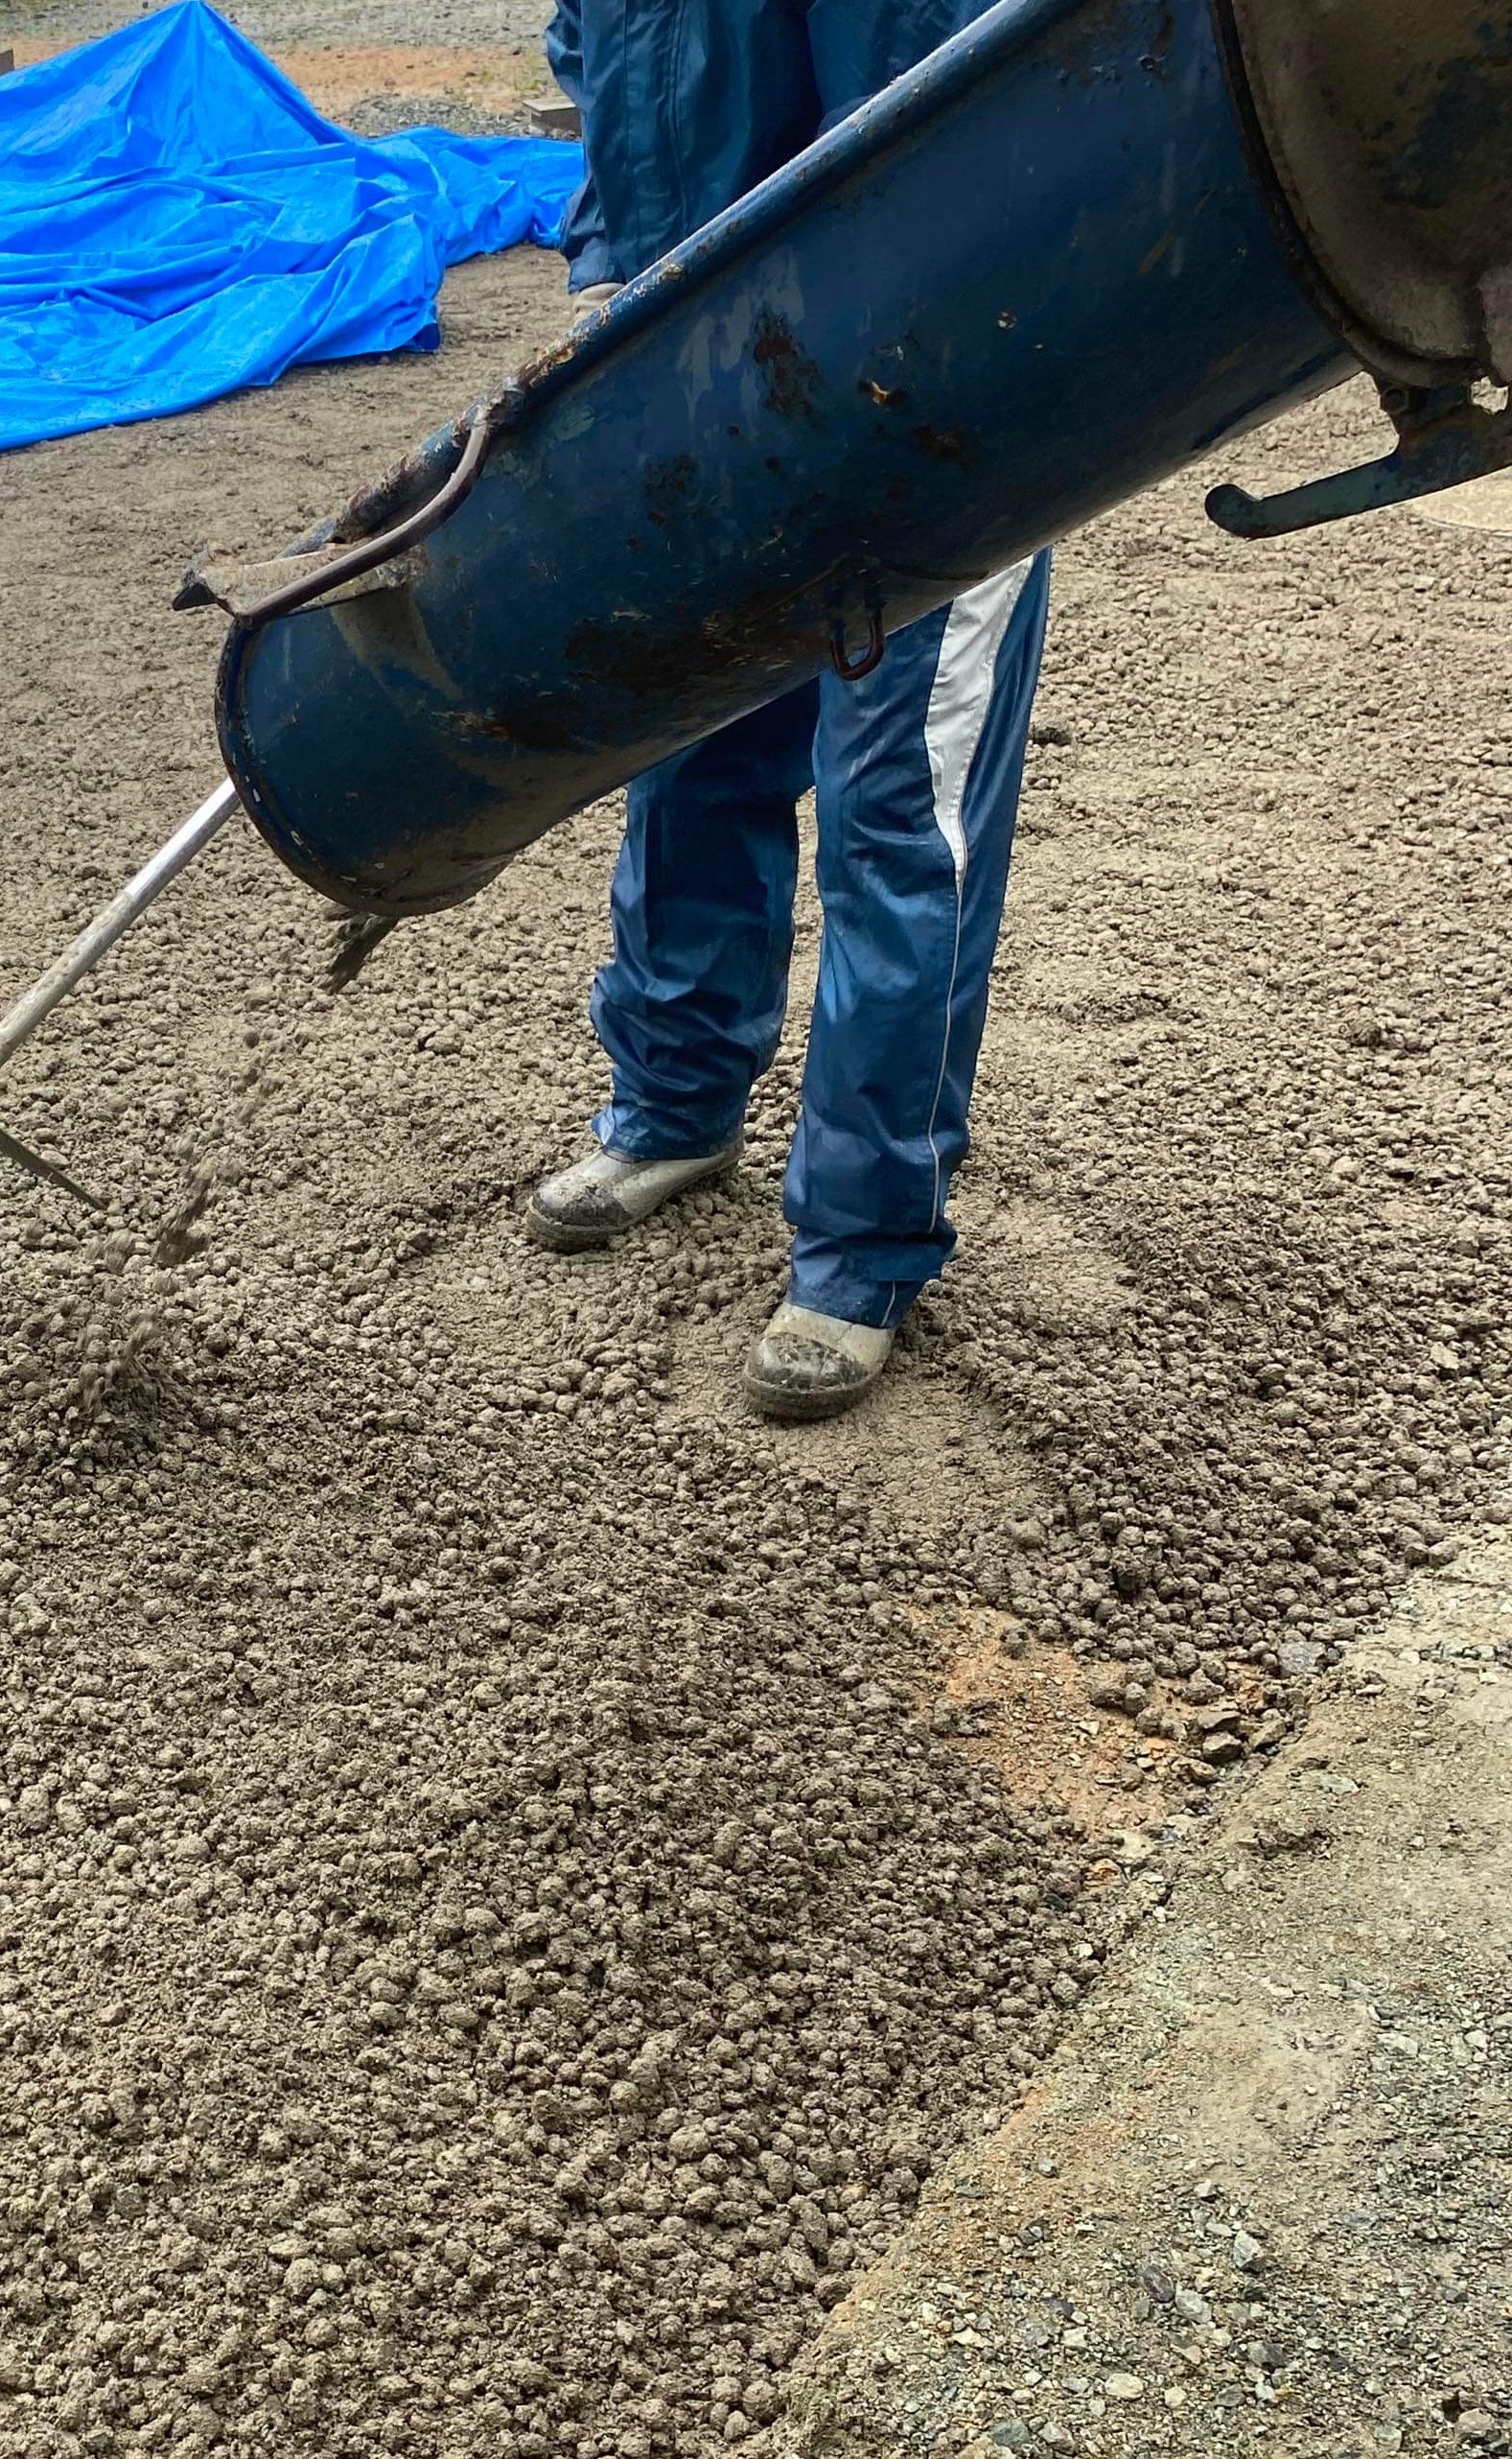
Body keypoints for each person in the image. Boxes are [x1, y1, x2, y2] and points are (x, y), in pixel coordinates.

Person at [525, 0, 1049, 1421]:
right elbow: (611, 43)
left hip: (948, 368)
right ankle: (677, 1104)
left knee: (898, 813)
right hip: (697, 352)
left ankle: (864, 1243)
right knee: (694, 739)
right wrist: (612, 268)